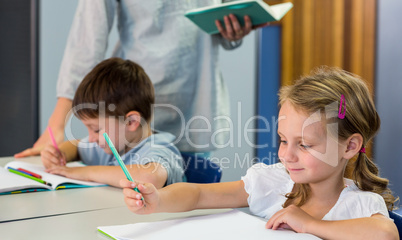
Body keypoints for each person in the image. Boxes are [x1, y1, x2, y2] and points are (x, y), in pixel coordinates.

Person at [120, 67, 400, 240]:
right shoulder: (273, 183)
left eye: (304, 145)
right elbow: (198, 194)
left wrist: (309, 224)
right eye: (283, 139)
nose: (286, 155)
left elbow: (387, 238)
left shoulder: (360, 205)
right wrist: (158, 200)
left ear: (350, 146)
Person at [16, 0, 265, 158]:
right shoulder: (110, 134)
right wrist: (57, 126)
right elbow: (86, 42)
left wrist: (234, 31)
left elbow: (224, 20)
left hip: (196, 104)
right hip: (128, 110)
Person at [41, 58, 184, 188]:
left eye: (96, 130)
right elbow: (78, 146)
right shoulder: (114, 145)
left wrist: (86, 172)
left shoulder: (159, 148)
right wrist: (59, 154)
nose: (91, 138)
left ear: (131, 122)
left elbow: (150, 177)